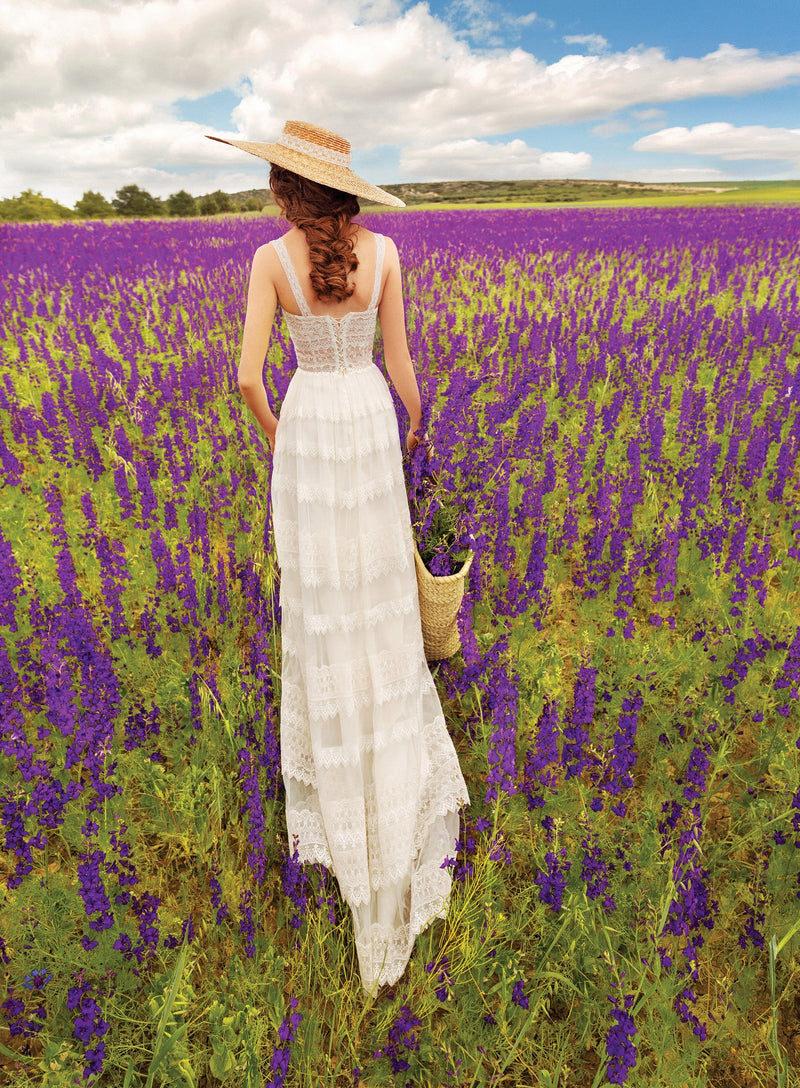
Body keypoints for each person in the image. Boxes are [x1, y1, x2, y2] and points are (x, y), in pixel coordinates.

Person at [206, 120, 470, 995]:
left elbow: (248, 377)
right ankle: (393, 778)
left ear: (286, 190)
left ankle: (339, 777)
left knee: (322, 606)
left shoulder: (267, 261)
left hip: (312, 430)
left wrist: (284, 438)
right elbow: (404, 372)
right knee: (379, 598)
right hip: (365, 424)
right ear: (346, 191)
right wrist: (413, 442)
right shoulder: (387, 251)